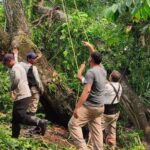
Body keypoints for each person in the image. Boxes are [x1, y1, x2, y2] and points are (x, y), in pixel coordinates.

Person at [2, 53, 47, 138]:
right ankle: (14, 137)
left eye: (6, 63)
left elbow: (17, 78)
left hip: (22, 96)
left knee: (20, 116)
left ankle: (40, 122)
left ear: (9, 61)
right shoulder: (19, 65)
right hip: (23, 95)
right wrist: (15, 54)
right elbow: (27, 63)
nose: (6, 66)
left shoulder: (15, 68)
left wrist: (12, 89)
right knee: (15, 118)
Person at [68, 51, 107, 150]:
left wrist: (77, 107)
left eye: (90, 56)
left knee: (73, 124)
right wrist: (80, 71)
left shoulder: (91, 72)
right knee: (96, 130)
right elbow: (81, 78)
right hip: (100, 108)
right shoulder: (103, 70)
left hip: (90, 107)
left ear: (91, 59)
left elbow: (87, 90)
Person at [13, 48, 44, 116]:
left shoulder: (23, 66)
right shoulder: (34, 68)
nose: (35, 59)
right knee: (34, 106)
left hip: (27, 89)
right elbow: (38, 81)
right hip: (34, 89)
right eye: (34, 58)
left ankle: (26, 121)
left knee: (28, 106)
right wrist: (41, 89)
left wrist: (16, 54)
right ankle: (31, 124)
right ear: (29, 59)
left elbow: (16, 64)